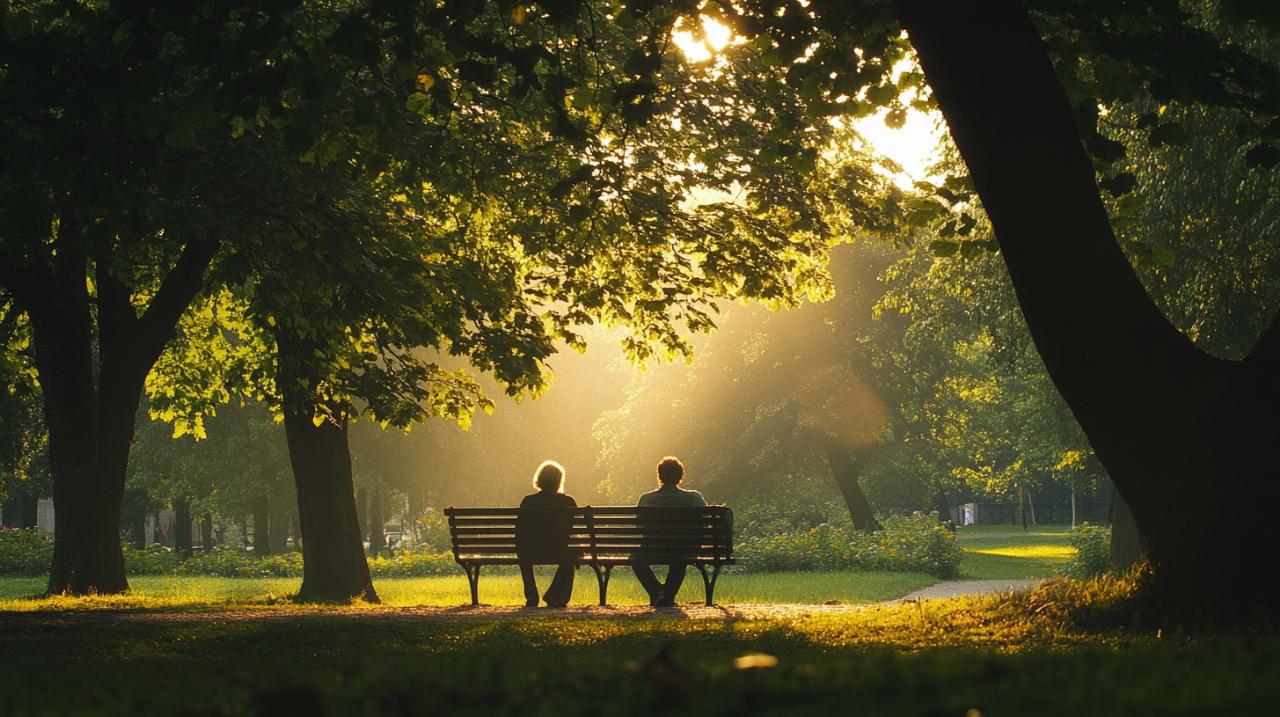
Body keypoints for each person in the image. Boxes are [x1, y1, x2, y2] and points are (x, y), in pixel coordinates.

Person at [631, 456, 706, 607]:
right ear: (680, 476)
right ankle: (666, 595)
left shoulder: (646, 499)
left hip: (652, 549)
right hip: (683, 549)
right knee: (680, 555)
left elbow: (639, 526)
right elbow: (705, 521)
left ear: (659, 476)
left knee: (635, 558)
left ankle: (657, 591)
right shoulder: (693, 497)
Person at [516, 460, 577, 608]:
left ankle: (532, 596)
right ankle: (555, 595)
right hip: (559, 550)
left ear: (540, 479)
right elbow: (573, 528)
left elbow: (520, 531)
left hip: (531, 551)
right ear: (559, 481)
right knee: (572, 556)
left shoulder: (528, 501)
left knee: (523, 553)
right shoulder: (567, 501)